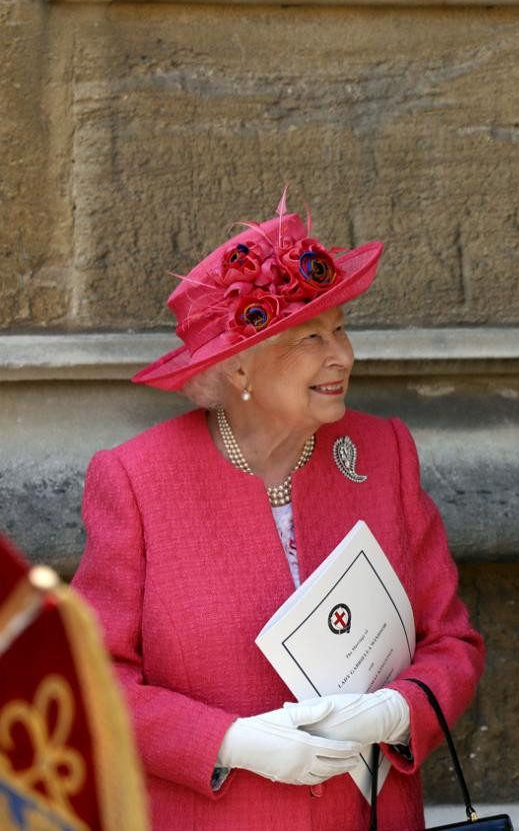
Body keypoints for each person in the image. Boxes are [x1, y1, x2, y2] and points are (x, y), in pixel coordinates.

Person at [72, 191, 485, 830]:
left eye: (342, 328)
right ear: (238, 365)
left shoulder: (384, 452)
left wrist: (398, 712)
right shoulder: (136, 481)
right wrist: (230, 743)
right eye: (310, 337)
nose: (341, 356)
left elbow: (451, 642)